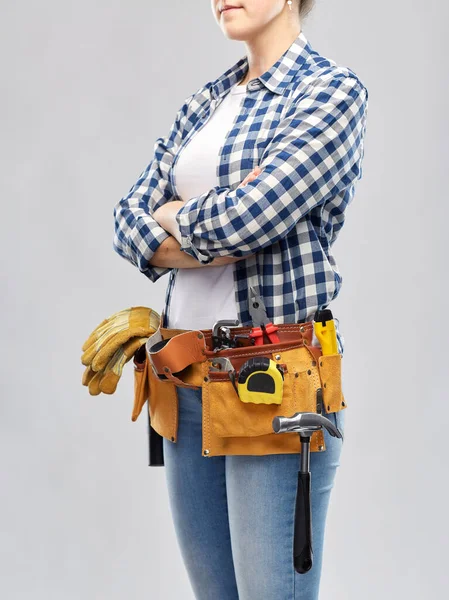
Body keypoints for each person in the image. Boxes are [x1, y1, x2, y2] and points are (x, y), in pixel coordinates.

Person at [113, 1, 368, 598]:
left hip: (270, 387)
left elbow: (251, 220)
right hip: (183, 380)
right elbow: (128, 220)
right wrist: (210, 225)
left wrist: (174, 217)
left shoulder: (329, 94)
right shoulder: (206, 102)